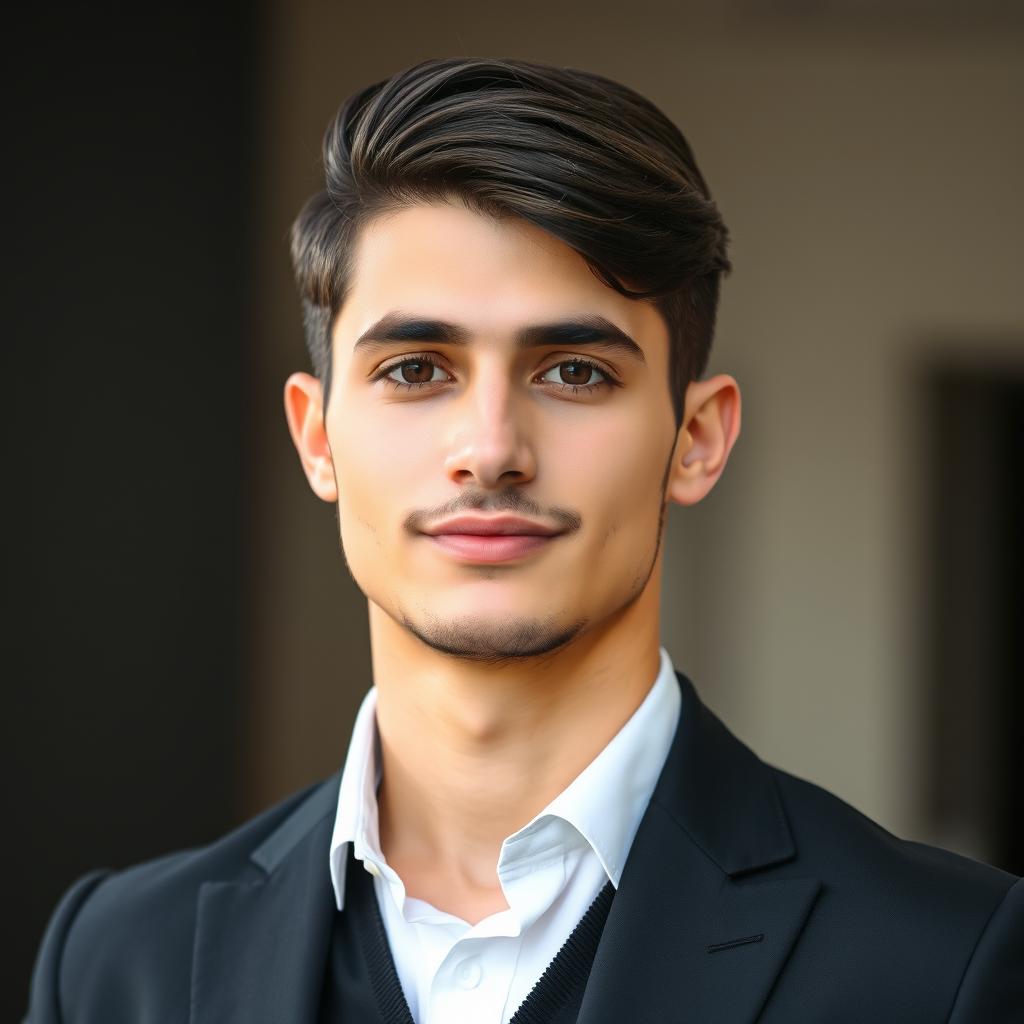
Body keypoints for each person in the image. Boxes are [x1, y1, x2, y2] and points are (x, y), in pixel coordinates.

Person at [24, 56, 1023, 1023]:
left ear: (697, 438)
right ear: (317, 437)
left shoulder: (940, 962)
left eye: (574, 371)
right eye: (416, 369)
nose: (491, 450)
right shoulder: (117, 961)